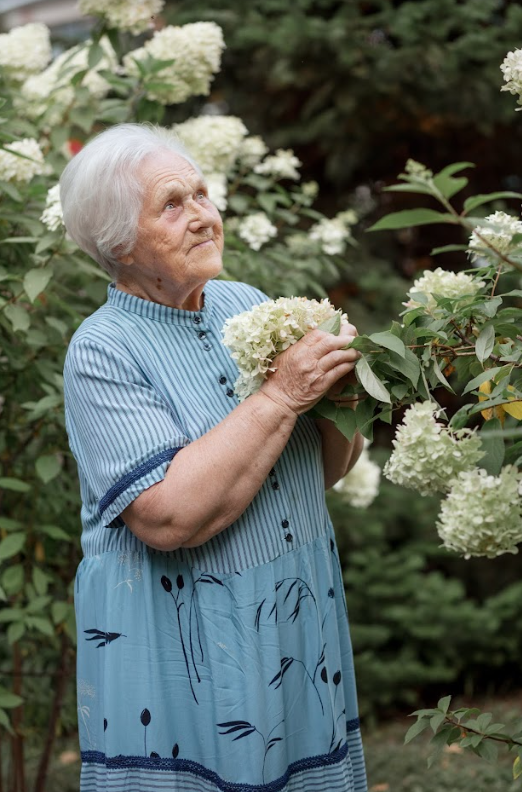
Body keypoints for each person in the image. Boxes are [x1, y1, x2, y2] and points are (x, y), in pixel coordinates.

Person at [61, 122, 368, 792]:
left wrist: (346, 398)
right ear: (118, 241)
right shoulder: (102, 350)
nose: (203, 215)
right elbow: (169, 519)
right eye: (173, 204)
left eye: (202, 195)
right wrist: (285, 395)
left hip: (292, 620)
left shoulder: (244, 305)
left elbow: (312, 475)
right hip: (188, 644)